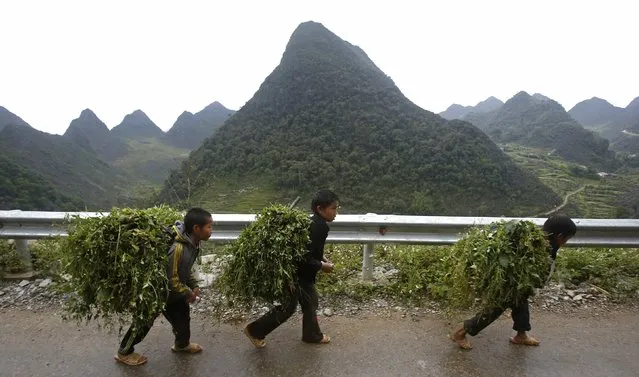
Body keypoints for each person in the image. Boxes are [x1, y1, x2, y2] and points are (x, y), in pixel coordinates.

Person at [450, 214, 577, 350]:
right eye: (567, 239)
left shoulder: (539, 241)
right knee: (495, 309)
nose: (566, 242)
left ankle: (521, 335)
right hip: (511, 284)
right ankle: (461, 332)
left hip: (518, 283)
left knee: (520, 302)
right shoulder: (545, 248)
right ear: (560, 236)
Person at [114, 207, 213, 365]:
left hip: (174, 293)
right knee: (143, 323)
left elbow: (185, 270)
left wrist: (193, 285)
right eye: (209, 227)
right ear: (196, 228)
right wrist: (188, 292)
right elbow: (171, 279)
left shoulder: (194, 244)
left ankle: (181, 345)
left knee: (182, 319)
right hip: (158, 292)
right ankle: (124, 352)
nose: (211, 231)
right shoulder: (178, 248)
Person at [243, 189, 339, 347]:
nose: (336, 213)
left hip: (300, 273)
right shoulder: (319, 227)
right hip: (298, 274)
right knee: (289, 307)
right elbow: (304, 258)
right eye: (333, 209)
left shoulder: (314, 222)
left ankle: (311, 335)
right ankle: (255, 331)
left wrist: (321, 258)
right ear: (320, 209)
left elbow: (307, 248)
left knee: (310, 302)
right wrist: (322, 265)